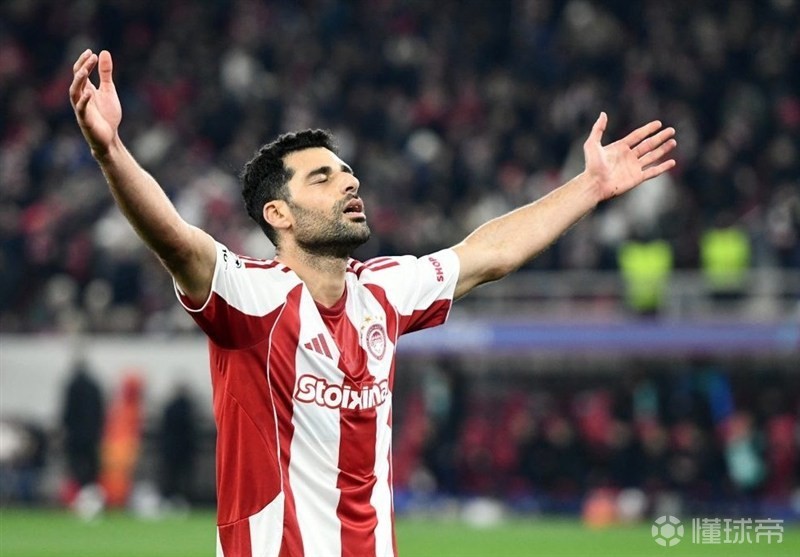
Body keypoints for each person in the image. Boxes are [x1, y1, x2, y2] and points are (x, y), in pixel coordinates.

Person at [69, 48, 676, 557]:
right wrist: (110, 151)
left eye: (347, 172)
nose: (350, 181)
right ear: (278, 214)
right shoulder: (249, 296)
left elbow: (488, 253)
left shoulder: (383, 290)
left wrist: (590, 186)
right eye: (323, 177)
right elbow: (177, 241)